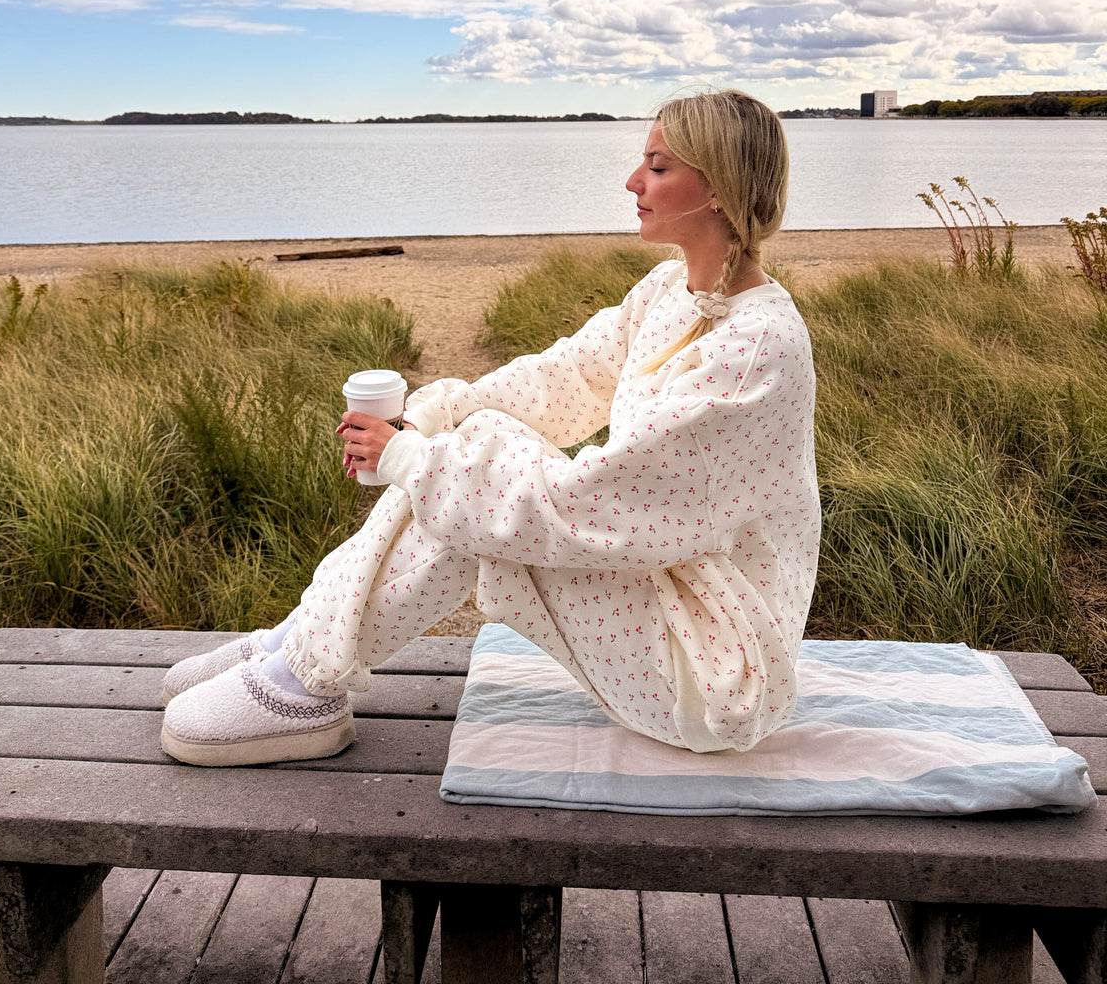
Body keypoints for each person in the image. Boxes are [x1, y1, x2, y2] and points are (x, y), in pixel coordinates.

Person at [159, 88, 819, 766]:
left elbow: (588, 506)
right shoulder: (668, 293)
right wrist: (434, 416)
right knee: (474, 461)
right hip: (666, 615)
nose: (632, 181)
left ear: (718, 187)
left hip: (713, 672)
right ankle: (301, 645)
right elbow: (568, 377)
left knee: (478, 482)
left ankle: (304, 676)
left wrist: (415, 460)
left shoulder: (755, 350)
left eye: (656, 166)